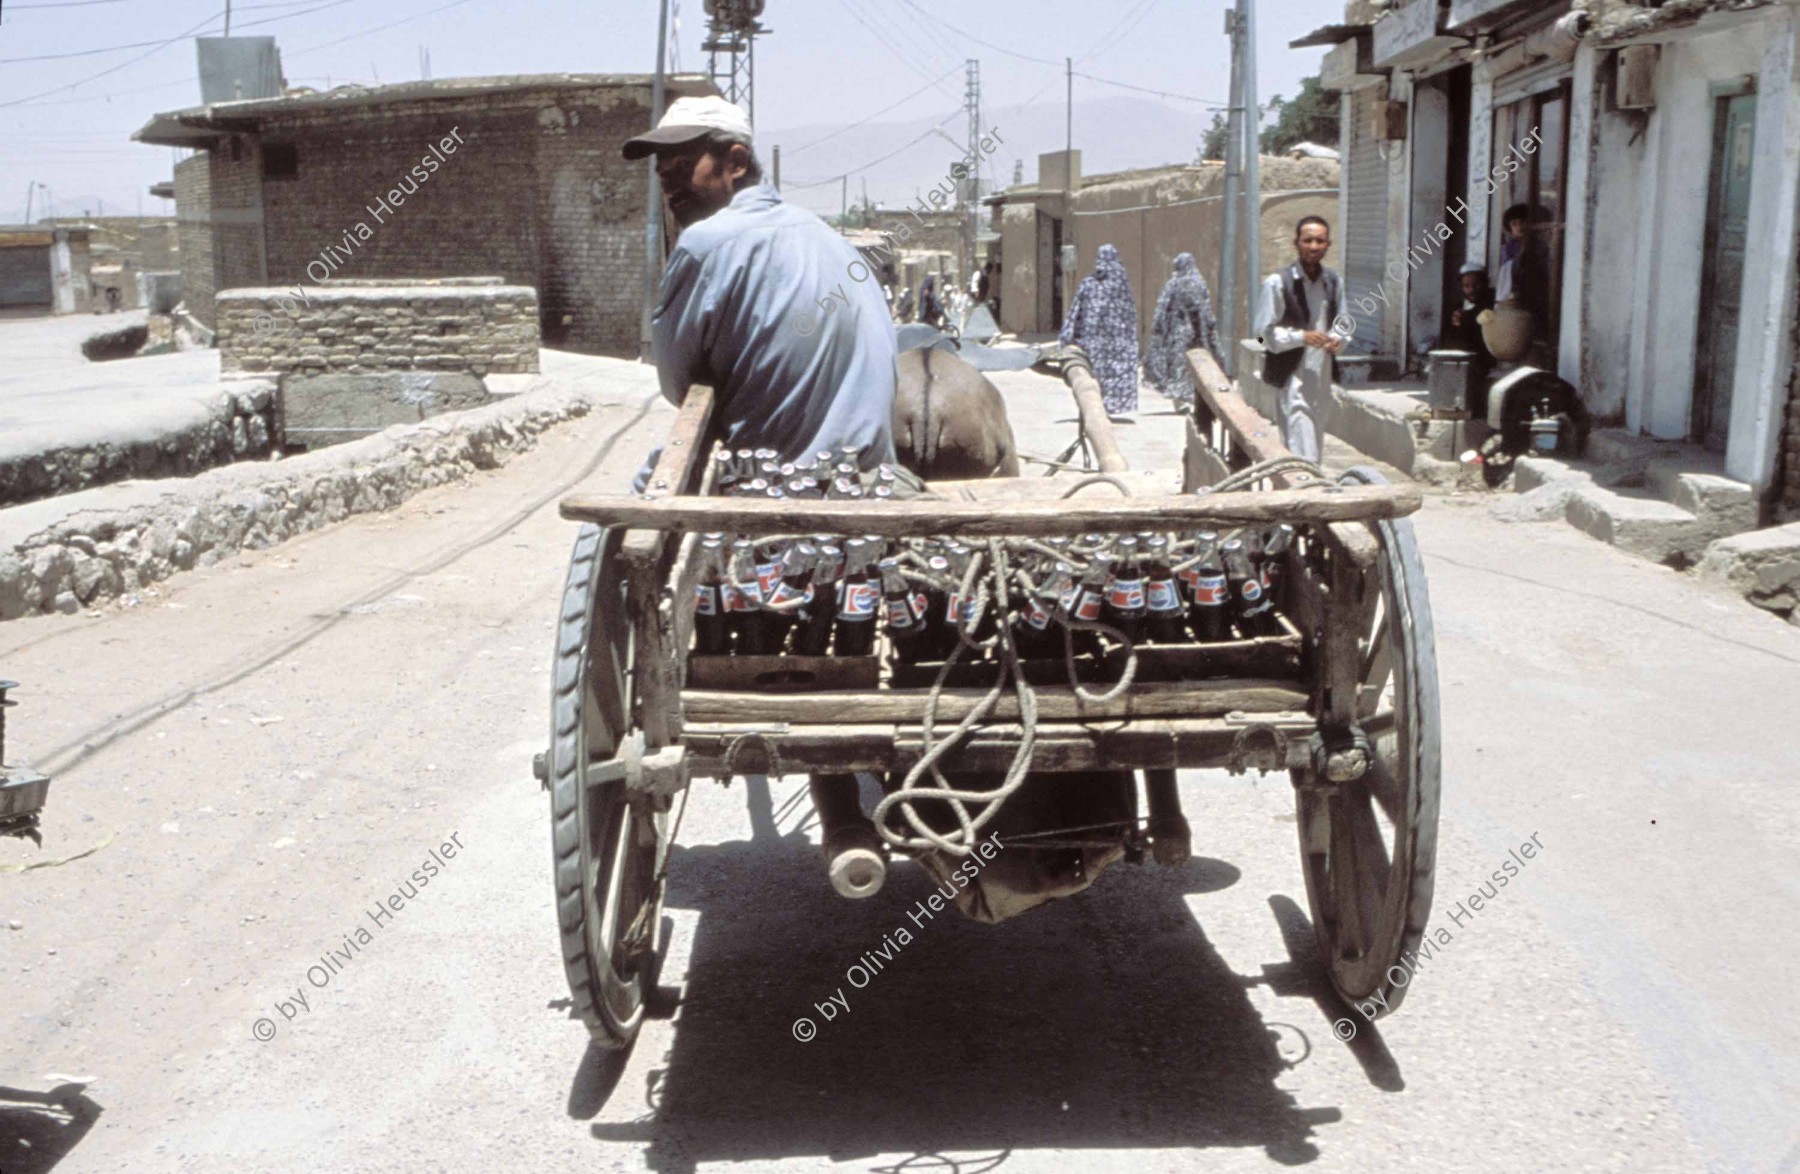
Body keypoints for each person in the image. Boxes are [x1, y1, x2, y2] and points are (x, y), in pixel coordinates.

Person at [622, 96, 896, 484]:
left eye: (684, 168)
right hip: (870, 483)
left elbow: (678, 386)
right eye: (663, 176)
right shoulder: (830, 239)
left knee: (637, 495)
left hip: (772, 487)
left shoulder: (704, 244)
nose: (671, 188)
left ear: (735, 162)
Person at [1254, 216, 1343, 463]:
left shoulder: (1334, 283)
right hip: (1291, 376)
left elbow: (1343, 323)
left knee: (1314, 442)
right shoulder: (1277, 284)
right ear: (1296, 243)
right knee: (1298, 443)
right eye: (1308, 240)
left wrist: (1338, 339)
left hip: (1322, 375)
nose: (1313, 246)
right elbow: (1261, 336)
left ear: (1328, 245)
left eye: (1319, 241)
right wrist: (1299, 337)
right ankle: (1304, 492)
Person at [1058, 243, 1140, 415]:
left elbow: (1076, 310)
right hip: (1118, 340)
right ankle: (1111, 405)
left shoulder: (1089, 283)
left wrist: (1068, 335)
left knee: (1095, 370)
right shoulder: (1122, 283)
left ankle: (1096, 404)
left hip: (1093, 340)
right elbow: (1130, 313)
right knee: (1115, 371)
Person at [1144, 252, 1223, 410]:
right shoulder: (1199, 283)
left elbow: (1162, 310)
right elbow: (1205, 310)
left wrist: (1159, 334)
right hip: (1196, 333)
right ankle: (1191, 398)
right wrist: (1209, 332)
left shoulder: (1173, 284)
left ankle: (1180, 400)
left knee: (1178, 366)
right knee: (1193, 367)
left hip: (1177, 334)